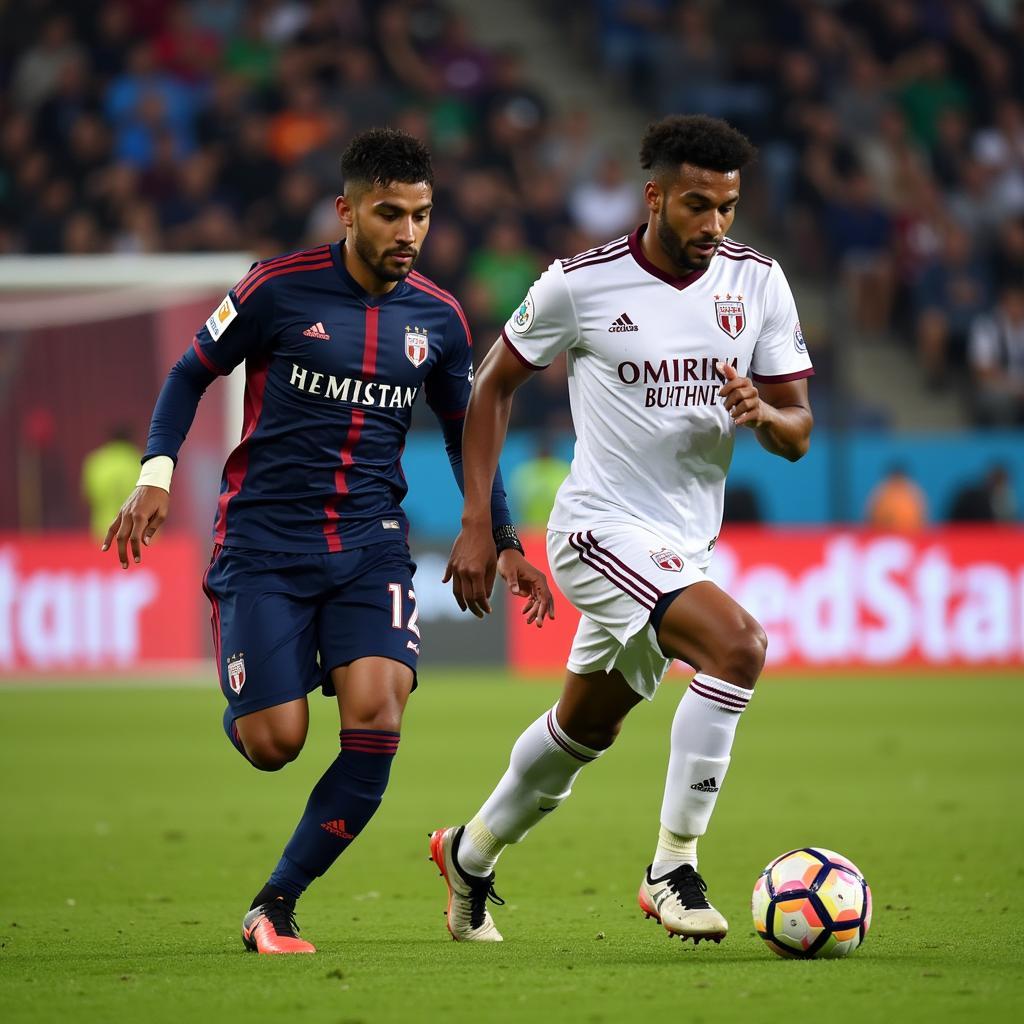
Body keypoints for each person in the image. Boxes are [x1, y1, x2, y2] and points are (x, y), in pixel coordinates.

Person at [101, 128, 552, 955]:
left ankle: (275, 902)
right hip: (264, 541)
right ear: (347, 211)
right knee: (274, 745)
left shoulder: (440, 319)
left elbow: (465, 431)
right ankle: (263, 665)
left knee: (379, 716)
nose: (408, 233)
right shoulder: (276, 288)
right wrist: (156, 474)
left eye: (420, 215)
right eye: (389, 214)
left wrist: (501, 535)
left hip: (372, 543)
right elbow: (189, 372)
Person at [432, 115, 814, 945]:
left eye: (729, 207)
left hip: (685, 542)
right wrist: (477, 523)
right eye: (697, 205)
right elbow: (490, 386)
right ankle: (672, 867)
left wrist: (762, 415)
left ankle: (469, 851)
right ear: (654, 198)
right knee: (739, 647)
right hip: (597, 531)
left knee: (584, 730)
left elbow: (799, 431)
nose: (714, 225)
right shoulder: (579, 283)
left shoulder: (758, 283)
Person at [81, 425, 143, 541]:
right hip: (137, 532)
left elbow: (88, 496)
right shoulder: (140, 462)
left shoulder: (96, 461)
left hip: (103, 531)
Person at [865, 463, 927, 532]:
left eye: (899, 477)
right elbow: (869, 515)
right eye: (895, 477)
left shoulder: (913, 492)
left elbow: (923, 517)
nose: (897, 480)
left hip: (910, 533)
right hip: (883, 533)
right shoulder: (881, 491)